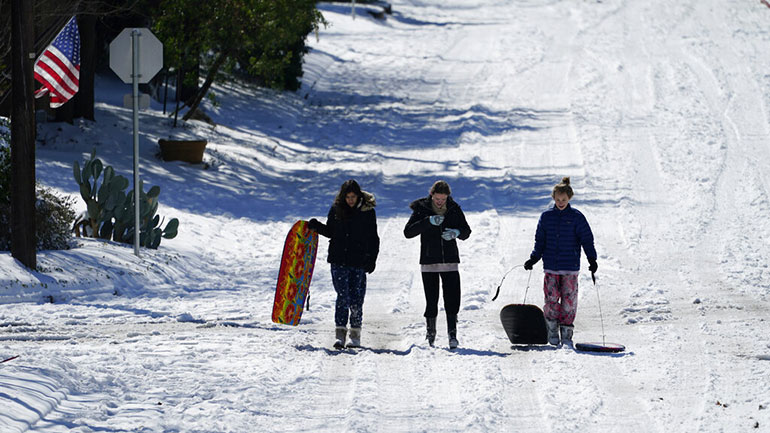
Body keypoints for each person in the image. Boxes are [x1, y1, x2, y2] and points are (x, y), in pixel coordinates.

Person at [524, 177, 597, 347]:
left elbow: (587, 239)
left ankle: (566, 332)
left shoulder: (577, 217)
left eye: (564, 200)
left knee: (569, 301)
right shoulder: (546, 217)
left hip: (570, 267)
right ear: (553, 198)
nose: (560, 202)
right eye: (557, 199)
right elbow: (540, 240)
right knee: (551, 299)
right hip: (551, 267)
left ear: (569, 198)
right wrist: (534, 257)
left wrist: (591, 258)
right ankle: (551, 329)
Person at [308, 180, 379, 349]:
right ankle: (340, 333)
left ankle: (355, 334)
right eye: (347, 197)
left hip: (358, 261)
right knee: (343, 296)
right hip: (338, 259)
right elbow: (331, 231)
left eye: (353, 197)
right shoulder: (336, 209)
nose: (350, 200)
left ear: (358, 196)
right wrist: (316, 226)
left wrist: (372, 259)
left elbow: (373, 238)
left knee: (356, 299)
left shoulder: (367, 212)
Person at [404, 180, 471, 349]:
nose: (440, 202)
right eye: (437, 199)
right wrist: (427, 221)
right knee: (431, 299)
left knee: (452, 298)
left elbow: (466, 231)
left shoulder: (454, 209)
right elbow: (408, 232)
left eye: (443, 199)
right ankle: (430, 333)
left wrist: (456, 233)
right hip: (429, 261)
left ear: (448, 196)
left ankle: (452, 333)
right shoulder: (422, 209)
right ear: (431, 195)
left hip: (450, 261)